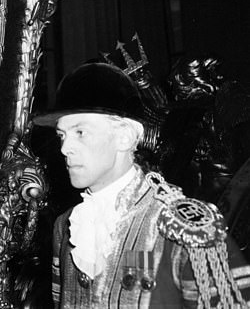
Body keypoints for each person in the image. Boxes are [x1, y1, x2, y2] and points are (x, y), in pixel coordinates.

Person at [33, 62, 250, 308]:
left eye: (80, 132)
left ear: (124, 136)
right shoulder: (66, 227)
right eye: (62, 135)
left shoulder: (183, 226)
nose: (64, 148)